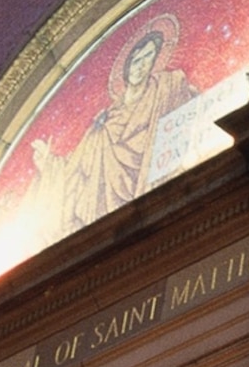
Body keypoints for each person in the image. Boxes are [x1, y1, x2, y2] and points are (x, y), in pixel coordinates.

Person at [31, 18, 196, 235]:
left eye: (148, 58)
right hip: (107, 229)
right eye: (136, 60)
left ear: (156, 61)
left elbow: (189, 109)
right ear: (126, 67)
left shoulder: (165, 89)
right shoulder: (104, 122)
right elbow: (77, 167)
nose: (142, 65)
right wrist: (50, 164)